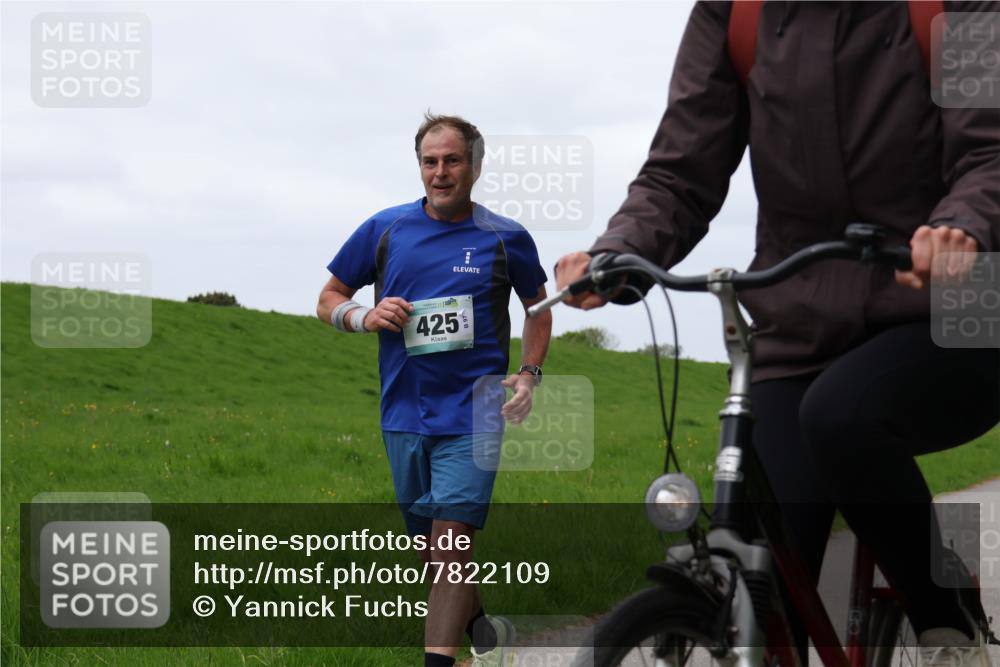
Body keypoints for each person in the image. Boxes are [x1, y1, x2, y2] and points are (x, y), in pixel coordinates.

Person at [554, 2, 998, 666]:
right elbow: (680, 171)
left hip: (945, 316)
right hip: (798, 326)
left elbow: (990, 151)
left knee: (844, 415)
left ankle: (947, 620)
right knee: (767, 573)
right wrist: (617, 254)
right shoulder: (736, 13)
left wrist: (962, 224)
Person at [317, 113, 552, 667]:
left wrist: (529, 374)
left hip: (475, 414)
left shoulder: (505, 237)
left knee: (452, 546)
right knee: (434, 553)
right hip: (403, 413)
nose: (440, 172)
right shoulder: (385, 229)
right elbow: (328, 296)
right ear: (419, 166)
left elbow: (537, 309)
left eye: (452, 160)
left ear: (474, 165)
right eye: (430, 161)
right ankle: (481, 628)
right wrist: (364, 314)